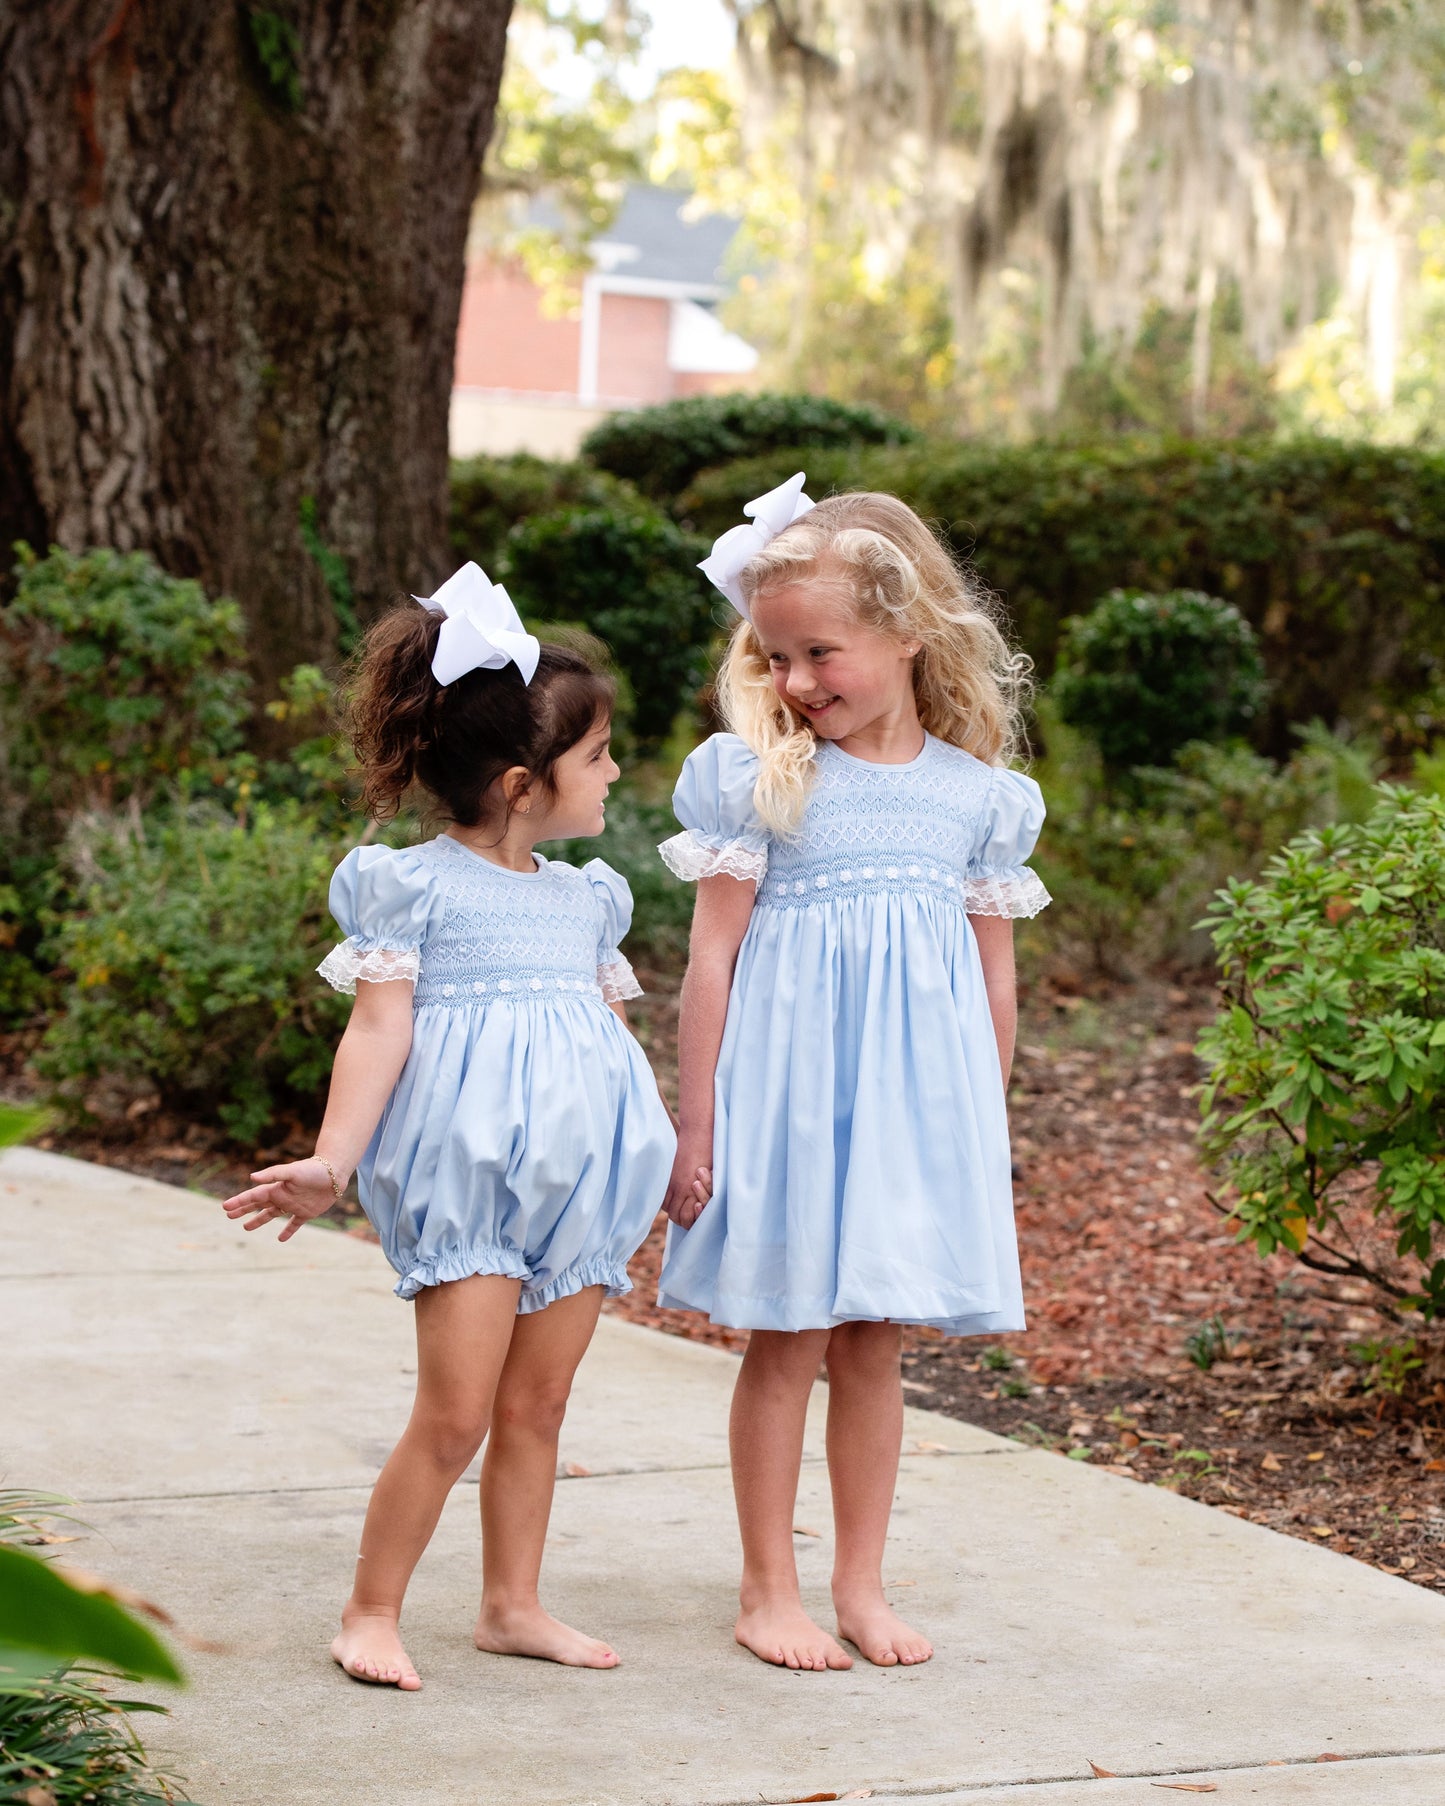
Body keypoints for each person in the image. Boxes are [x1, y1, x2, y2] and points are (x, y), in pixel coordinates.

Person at [223, 564, 680, 1690]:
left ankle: (511, 1605)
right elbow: (378, 1030)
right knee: (455, 1410)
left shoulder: (588, 899)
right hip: (472, 1186)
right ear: (524, 784)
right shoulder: (412, 889)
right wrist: (333, 1161)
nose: (616, 771)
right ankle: (370, 1609)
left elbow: (611, 1048)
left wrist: (661, 1153)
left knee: (540, 1403)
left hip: (580, 1193)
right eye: (598, 755)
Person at [658, 477, 1049, 1673]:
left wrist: (979, 1120)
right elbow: (709, 965)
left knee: (873, 1340)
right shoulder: (758, 782)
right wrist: (698, 1119)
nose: (793, 682)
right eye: (774, 657)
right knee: (787, 1335)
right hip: (787, 1106)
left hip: (909, 1115)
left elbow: (993, 978)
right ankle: (765, 1589)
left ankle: (861, 1585)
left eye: (818, 651)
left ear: (905, 633)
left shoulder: (977, 799)